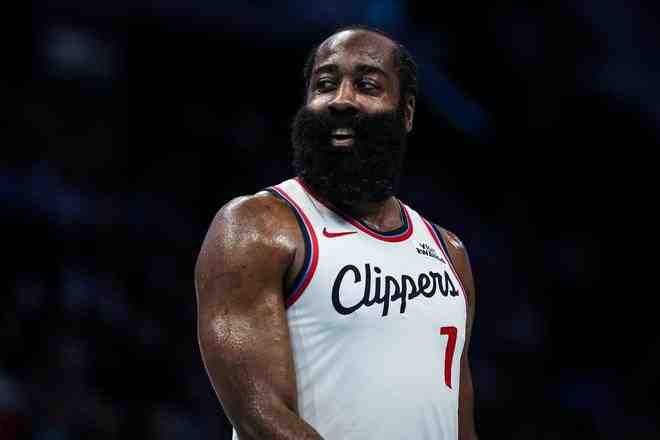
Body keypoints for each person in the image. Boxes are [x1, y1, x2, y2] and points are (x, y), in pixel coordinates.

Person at [195, 25, 478, 440]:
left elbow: (460, 424)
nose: (341, 99)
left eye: (367, 85)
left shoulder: (449, 252)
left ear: (406, 112)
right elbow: (261, 418)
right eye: (325, 84)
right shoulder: (256, 227)